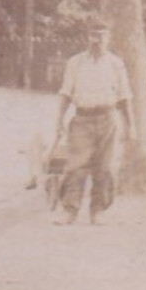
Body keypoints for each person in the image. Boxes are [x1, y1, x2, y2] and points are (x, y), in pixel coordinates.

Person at [53, 20, 134, 225]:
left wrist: (130, 126)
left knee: (104, 168)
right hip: (82, 119)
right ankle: (69, 210)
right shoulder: (76, 62)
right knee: (75, 166)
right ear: (87, 37)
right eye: (93, 35)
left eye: (101, 36)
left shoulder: (116, 64)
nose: (96, 40)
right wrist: (59, 120)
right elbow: (65, 93)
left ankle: (98, 211)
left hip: (108, 119)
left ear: (108, 38)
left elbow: (125, 96)